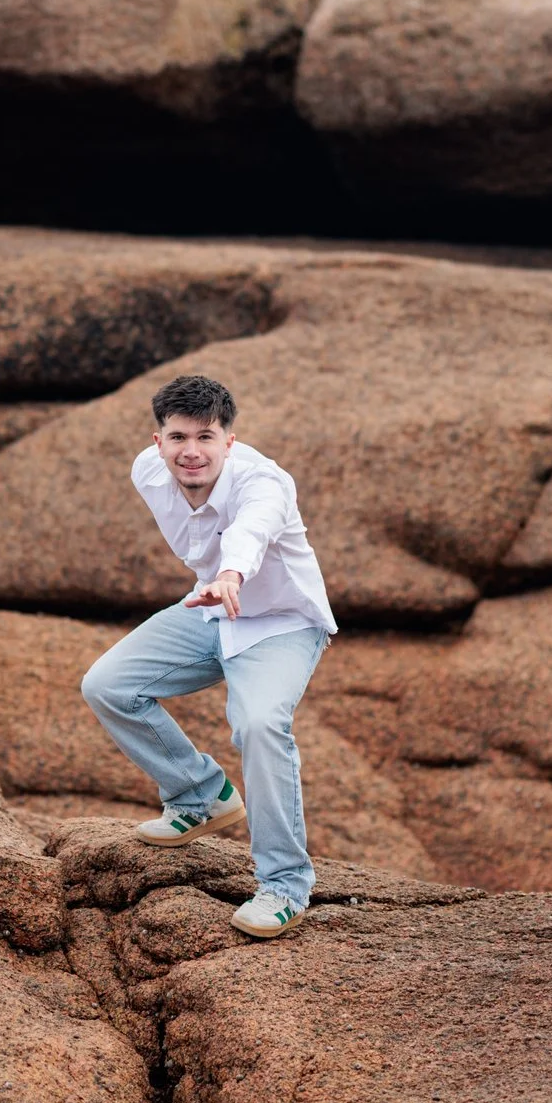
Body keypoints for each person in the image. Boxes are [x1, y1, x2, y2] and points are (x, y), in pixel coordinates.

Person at [80, 375, 337, 939]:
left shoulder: (265, 481)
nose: (190, 451)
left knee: (260, 724)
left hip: (280, 621)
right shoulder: (147, 471)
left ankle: (285, 886)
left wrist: (229, 572)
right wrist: (214, 588)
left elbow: (253, 527)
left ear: (230, 440)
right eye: (177, 437)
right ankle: (201, 796)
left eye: (205, 436)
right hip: (210, 609)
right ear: (157, 441)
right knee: (107, 684)